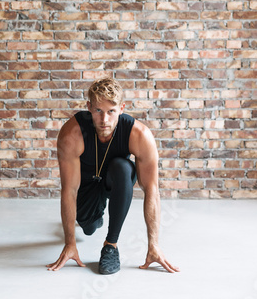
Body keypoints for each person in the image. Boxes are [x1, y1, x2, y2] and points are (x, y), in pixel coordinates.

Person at [47, 78, 179, 275]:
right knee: (89, 227)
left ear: (122, 108)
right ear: (89, 107)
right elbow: (70, 190)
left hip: (116, 181)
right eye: (98, 111)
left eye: (111, 111)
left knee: (123, 168)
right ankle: (95, 216)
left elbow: (151, 189)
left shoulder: (139, 135)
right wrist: (70, 243)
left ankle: (111, 245)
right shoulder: (72, 134)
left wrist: (154, 245)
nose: (104, 120)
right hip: (87, 183)